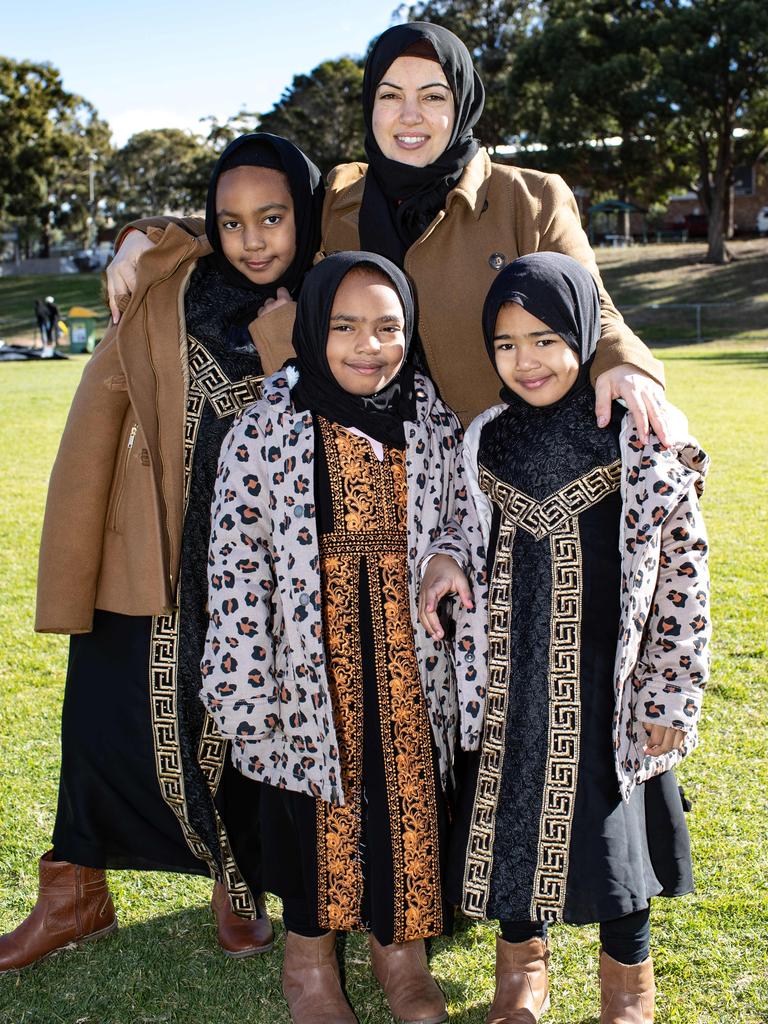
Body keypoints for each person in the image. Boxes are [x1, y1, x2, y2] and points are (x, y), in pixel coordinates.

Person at [0, 134, 325, 974]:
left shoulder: (334, 297)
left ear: (306, 213)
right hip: (145, 540)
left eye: (273, 218)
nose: (251, 239)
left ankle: (239, 883)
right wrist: (142, 235)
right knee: (103, 720)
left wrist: (290, 329)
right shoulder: (169, 280)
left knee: (248, 726)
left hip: (259, 567)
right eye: (231, 221)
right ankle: (73, 893)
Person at [105, 21, 673, 444]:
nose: (409, 116)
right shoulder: (338, 200)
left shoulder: (529, 197)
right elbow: (251, 222)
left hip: (500, 463)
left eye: (432, 96)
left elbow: (593, 308)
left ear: (462, 104)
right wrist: (148, 236)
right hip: (375, 468)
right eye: (390, 95)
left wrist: (626, 365)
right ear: (369, 104)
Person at [418, 252, 711, 1024]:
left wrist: (671, 691)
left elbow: (684, 574)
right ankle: (522, 974)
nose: (527, 360)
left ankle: (628, 987)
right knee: (515, 831)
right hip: (512, 692)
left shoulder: (634, 437)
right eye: (507, 344)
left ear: (585, 333)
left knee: (619, 850)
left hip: (605, 692)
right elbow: (458, 520)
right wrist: (446, 556)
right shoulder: (485, 437)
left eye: (547, 338)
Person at [201, 251, 462, 1024]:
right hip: (307, 667)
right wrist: (245, 682)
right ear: (314, 329)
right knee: (315, 816)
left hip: (408, 657)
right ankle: (309, 964)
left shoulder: (430, 416)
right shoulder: (268, 427)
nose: (367, 345)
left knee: (405, 800)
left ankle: (401, 957)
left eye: (388, 327)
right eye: (345, 326)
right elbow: (236, 563)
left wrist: (443, 551)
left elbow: (457, 515)